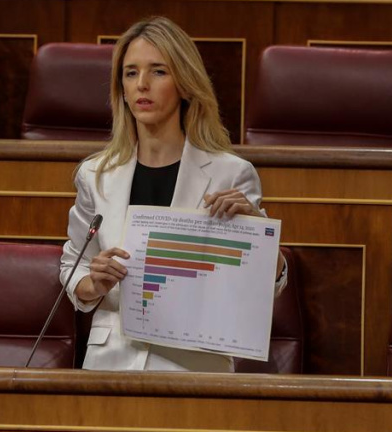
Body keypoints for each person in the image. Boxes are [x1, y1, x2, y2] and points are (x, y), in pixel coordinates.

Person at [61, 16, 287, 372]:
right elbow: (72, 266)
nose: (142, 84)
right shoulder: (96, 175)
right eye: (131, 73)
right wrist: (94, 284)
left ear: (184, 83)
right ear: (121, 88)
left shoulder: (231, 174)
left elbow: (264, 289)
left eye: (158, 71)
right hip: (109, 365)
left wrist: (257, 233)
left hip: (193, 368)